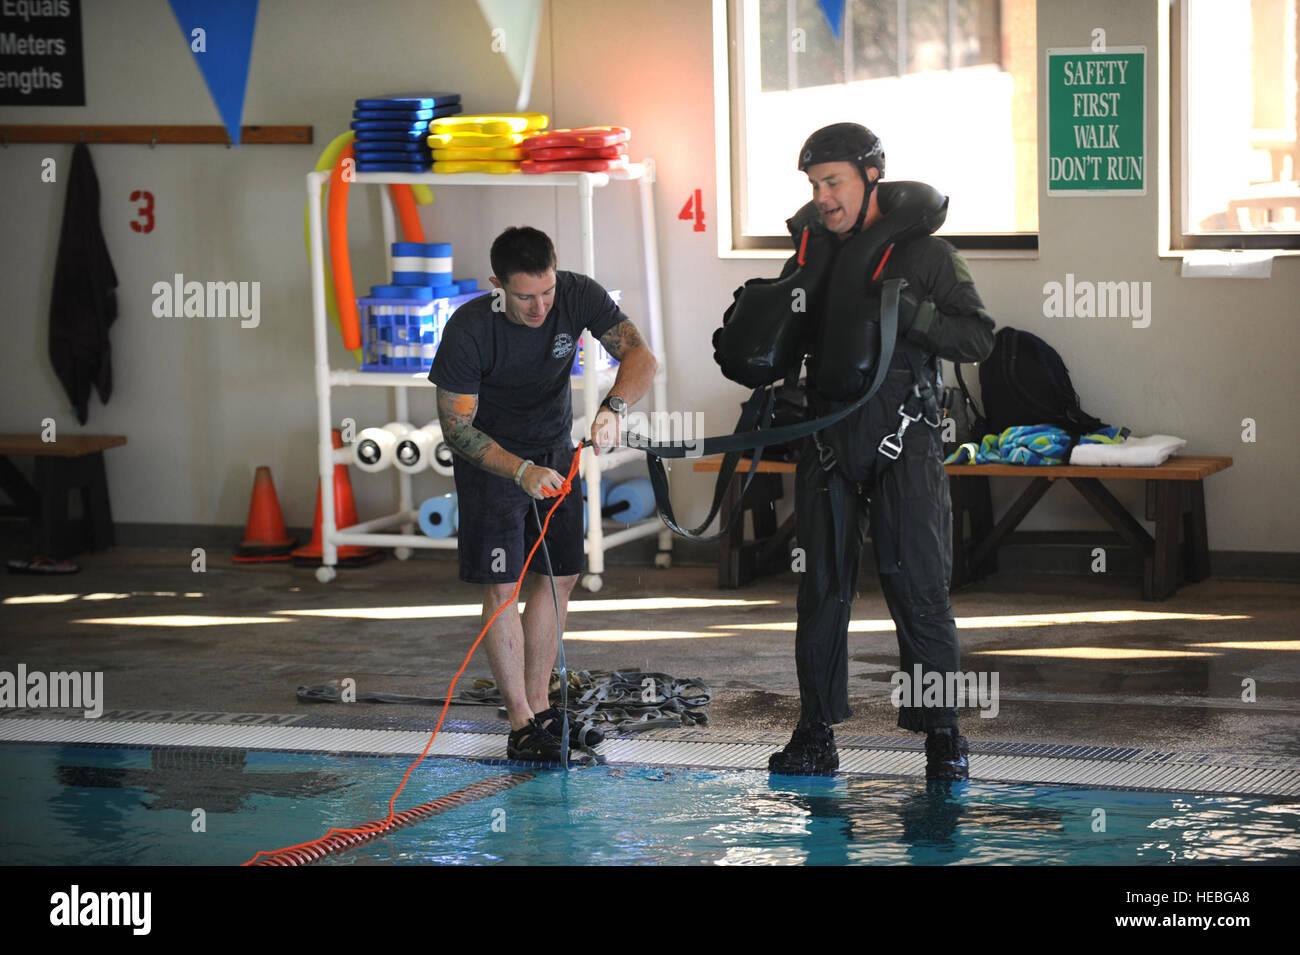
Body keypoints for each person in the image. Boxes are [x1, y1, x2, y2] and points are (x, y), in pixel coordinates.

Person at [765, 123, 996, 779]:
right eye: (814, 185)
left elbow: (978, 337)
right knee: (822, 590)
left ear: (871, 177)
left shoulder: (928, 256)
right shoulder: (813, 256)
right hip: (827, 441)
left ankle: (943, 737)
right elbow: (783, 336)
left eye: (833, 182)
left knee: (920, 589)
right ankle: (815, 733)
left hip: (907, 438)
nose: (824, 197)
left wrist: (918, 316)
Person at [431, 226, 658, 761]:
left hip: (556, 450)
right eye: (525, 296)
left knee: (560, 576)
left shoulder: (577, 293)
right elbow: (457, 430)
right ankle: (519, 724)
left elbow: (641, 357)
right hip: (492, 463)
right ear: (497, 286)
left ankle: (542, 707)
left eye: (547, 292)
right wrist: (519, 471)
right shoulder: (468, 330)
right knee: (504, 587)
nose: (540, 307)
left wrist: (614, 408)